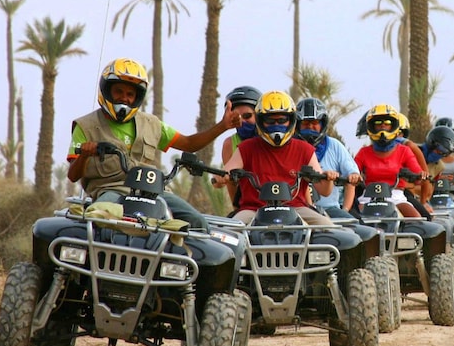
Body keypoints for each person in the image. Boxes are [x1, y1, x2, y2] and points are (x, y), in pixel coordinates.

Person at [67, 58, 240, 230]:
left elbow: (189, 144)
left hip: (153, 191)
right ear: (106, 90)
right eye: (118, 91)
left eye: (130, 94)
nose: (124, 98)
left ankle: (178, 258)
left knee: (197, 223)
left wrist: (223, 126)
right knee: (98, 217)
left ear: (137, 97)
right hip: (111, 190)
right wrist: (84, 155)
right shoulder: (86, 126)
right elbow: (73, 176)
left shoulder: (151, 124)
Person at [217, 91, 335, 225]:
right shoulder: (246, 148)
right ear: (260, 121)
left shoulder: (304, 149)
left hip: (297, 208)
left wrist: (328, 177)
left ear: (291, 120)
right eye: (270, 120)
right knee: (231, 234)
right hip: (253, 210)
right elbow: (224, 173)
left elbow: (324, 191)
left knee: (329, 229)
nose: (276, 125)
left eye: (282, 120)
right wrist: (221, 177)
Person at [354, 104, 426, 218]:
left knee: (416, 219)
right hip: (368, 197)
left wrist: (419, 176)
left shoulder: (405, 151)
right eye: (378, 124)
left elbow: (418, 176)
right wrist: (352, 176)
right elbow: (352, 171)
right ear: (371, 126)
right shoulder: (364, 152)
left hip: (396, 196)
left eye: (387, 123)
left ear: (394, 125)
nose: (383, 127)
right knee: (359, 220)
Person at [296, 97, 360, 219]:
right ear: (297, 125)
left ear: (322, 124)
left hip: (330, 209)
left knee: (353, 227)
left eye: (315, 123)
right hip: (297, 209)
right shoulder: (291, 146)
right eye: (305, 123)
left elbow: (352, 176)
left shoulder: (334, 145)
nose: (310, 127)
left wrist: (345, 210)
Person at [219, 85, 262, 204]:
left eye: (247, 116)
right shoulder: (229, 144)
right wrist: (237, 210)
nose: (242, 121)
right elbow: (231, 185)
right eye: (236, 117)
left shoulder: (271, 139)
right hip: (249, 206)